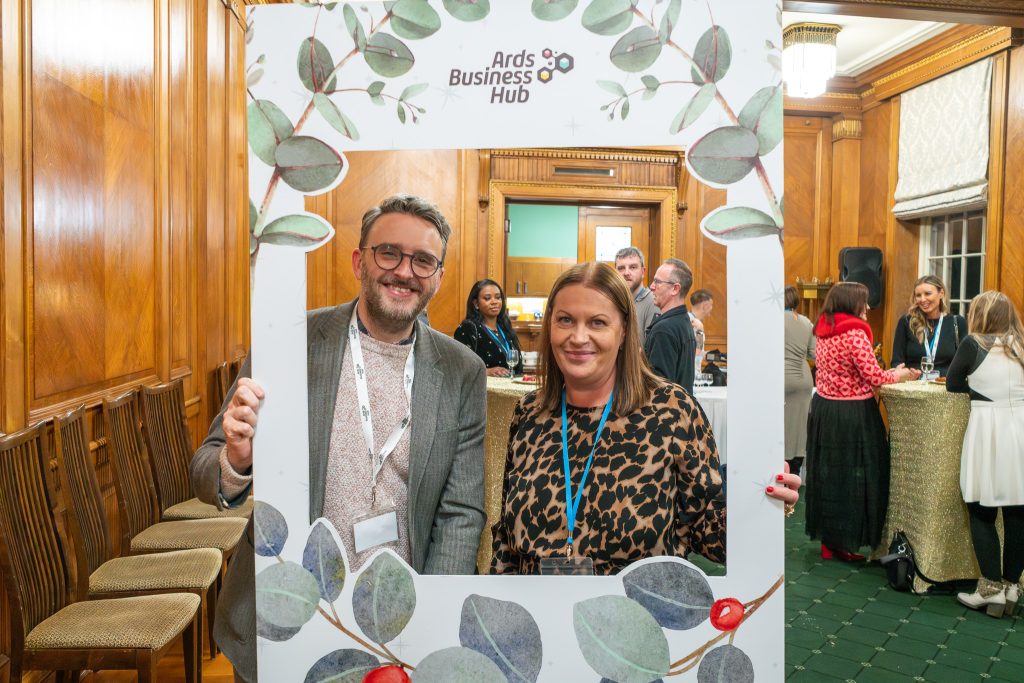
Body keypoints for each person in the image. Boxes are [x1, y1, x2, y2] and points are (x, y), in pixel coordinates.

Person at [191, 195, 487, 683]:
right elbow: (206, 473)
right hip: (287, 612)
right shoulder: (291, 341)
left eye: (423, 260)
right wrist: (238, 461)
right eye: (388, 252)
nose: (404, 271)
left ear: (438, 275)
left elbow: (461, 512)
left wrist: (429, 619)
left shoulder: (461, 371)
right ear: (359, 261)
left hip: (397, 625)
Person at [489, 262, 800, 576]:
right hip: (541, 617)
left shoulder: (671, 410)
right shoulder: (530, 412)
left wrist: (764, 503)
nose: (578, 337)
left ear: (624, 330)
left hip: (639, 616)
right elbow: (506, 539)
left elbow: (709, 533)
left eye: (598, 323)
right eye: (565, 320)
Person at [805, 282, 920, 562]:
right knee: (857, 477)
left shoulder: (824, 328)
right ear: (852, 303)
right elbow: (873, 377)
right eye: (864, 302)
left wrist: (890, 372)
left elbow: (846, 370)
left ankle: (830, 541)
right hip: (852, 413)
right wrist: (901, 375)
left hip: (824, 409)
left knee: (829, 476)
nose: (867, 307)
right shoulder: (854, 332)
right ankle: (847, 540)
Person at [945, 291, 1024, 616]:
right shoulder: (1020, 345)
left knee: (981, 508)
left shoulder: (973, 343)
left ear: (980, 314)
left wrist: (977, 391)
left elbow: (952, 383)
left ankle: (990, 588)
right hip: (1020, 426)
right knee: (1018, 512)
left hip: (987, 428)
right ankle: (1011, 587)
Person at [890, 274, 967, 376]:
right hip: (913, 387)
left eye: (928, 294)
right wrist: (905, 373)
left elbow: (964, 363)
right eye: (918, 295)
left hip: (945, 387)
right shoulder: (906, 322)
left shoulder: (957, 323)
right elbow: (897, 362)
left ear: (941, 293)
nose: (922, 299)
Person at [645, 258, 697, 394]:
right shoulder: (683, 322)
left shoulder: (664, 330)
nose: (651, 286)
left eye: (657, 282)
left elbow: (659, 389)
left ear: (675, 288)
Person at [454, 279, 523, 376]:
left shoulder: (505, 328)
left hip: (510, 388)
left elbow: (518, 367)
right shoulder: (468, 328)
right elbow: (459, 366)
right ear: (476, 304)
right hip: (483, 389)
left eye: (498, 297)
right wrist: (487, 371)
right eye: (487, 298)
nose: (494, 302)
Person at [783, 286, 815, 478]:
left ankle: (779, 469)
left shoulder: (771, 320)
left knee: (778, 426)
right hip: (803, 377)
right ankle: (795, 470)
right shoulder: (806, 322)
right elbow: (814, 353)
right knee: (798, 428)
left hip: (779, 375)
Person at [614, 246, 659, 343]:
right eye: (621, 268)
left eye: (633, 267)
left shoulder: (653, 302)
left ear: (643, 272)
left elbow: (650, 349)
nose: (626, 273)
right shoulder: (612, 302)